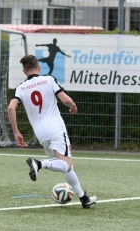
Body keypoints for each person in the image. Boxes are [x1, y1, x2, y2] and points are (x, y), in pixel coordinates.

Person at [8, 53, 96, 208]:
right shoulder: (49, 79)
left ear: (24, 71)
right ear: (39, 68)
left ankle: (84, 198)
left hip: (41, 133)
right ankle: (39, 164)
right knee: (66, 164)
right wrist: (73, 106)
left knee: (64, 165)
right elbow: (65, 99)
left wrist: (16, 132)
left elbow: (11, 108)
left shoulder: (20, 88)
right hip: (56, 129)